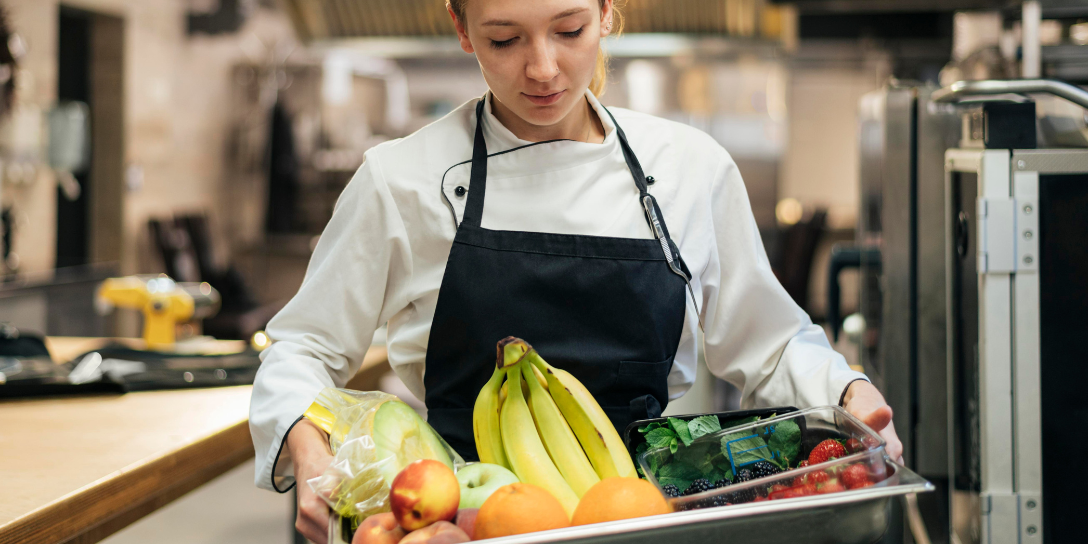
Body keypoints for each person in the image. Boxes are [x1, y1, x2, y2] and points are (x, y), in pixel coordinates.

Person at [249, 0, 903, 541]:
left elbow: (768, 340)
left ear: (607, 12)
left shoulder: (687, 171)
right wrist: (302, 437)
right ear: (460, 27)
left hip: (647, 514)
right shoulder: (401, 181)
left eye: (569, 31)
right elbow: (304, 346)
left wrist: (848, 392)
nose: (543, 68)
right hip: (461, 520)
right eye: (504, 40)